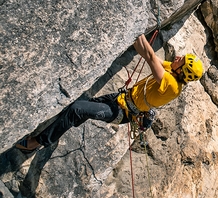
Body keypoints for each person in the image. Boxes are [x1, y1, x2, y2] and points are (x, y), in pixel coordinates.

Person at [15, 33, 204, 153]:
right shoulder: (173, 71)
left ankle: (37, 143)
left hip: (121, 112)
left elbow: (151, 57)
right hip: (119, 99)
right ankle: (62, 126)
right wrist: (135, 35)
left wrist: (139, 31)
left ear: (183, 71)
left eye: (183, 60)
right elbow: (144, 52)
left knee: (77, 109)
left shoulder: (172, 85)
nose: (178, 57)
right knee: (83, 107)